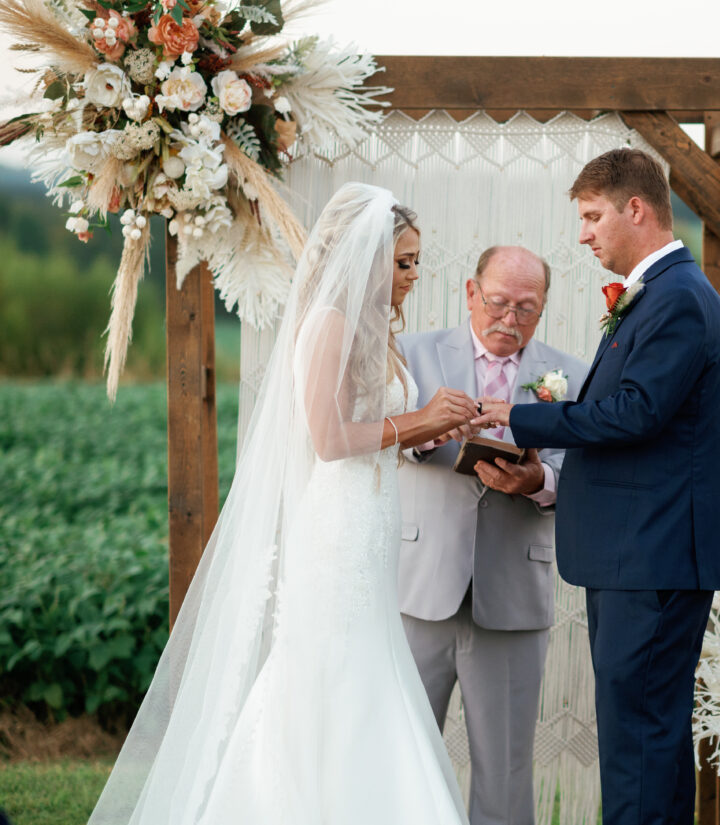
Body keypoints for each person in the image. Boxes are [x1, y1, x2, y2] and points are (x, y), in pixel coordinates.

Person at [88, 184, 477, 824]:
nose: (414, 274)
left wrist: (436, 427)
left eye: (415, 261)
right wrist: (417, 421)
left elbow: (378, 433)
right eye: (403, 261)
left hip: (373, 522)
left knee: (367, 661)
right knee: (332, 667)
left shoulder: (377, 331)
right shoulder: (328, 322)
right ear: (365, 259)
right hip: (339, 526)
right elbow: (328, 441)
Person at [474, 149, 720, 825]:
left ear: (636, 209)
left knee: (636, 748)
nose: (584, 233)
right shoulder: (664, 293)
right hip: (640, 557)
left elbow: (633, 414)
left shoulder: (675, 299)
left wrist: (513, 412)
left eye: (593, 216)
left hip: (647, 560)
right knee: (651, 742)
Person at [397, 246, 587, 825]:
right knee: (402, 754)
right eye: (499, 303)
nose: (509, 319)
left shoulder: (570, 374)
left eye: (526, 309)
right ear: (471, 292)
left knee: (505, 766)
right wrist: (430, 431)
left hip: (512, 595)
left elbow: (579, 474)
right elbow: (380, 444)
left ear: (544, 307)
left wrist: (538, 481)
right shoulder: (411, 352)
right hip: (418, 587)